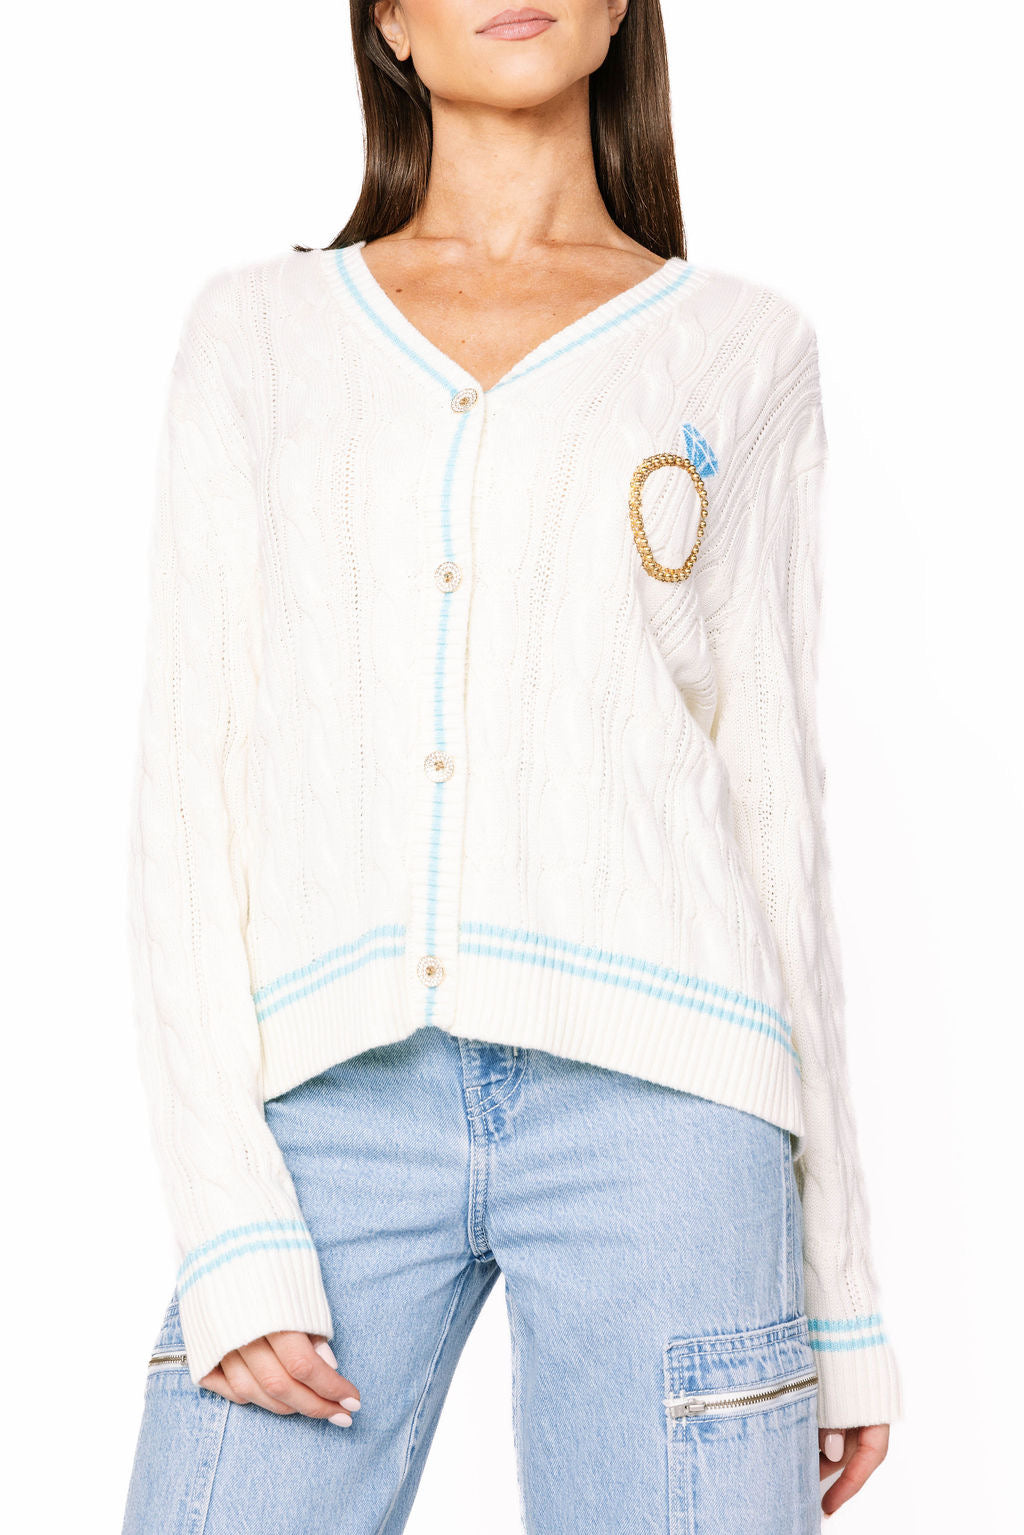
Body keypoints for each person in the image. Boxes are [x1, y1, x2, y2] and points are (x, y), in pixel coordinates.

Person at [120, 2, 904, 1530]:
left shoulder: (741, 347)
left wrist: (845, 1290)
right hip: (331, 1106)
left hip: (673, 1117)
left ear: (619, 8)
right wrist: (224, 1217)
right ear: (390, 25)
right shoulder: (258, 336)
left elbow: (773, 812)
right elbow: (186, 780)